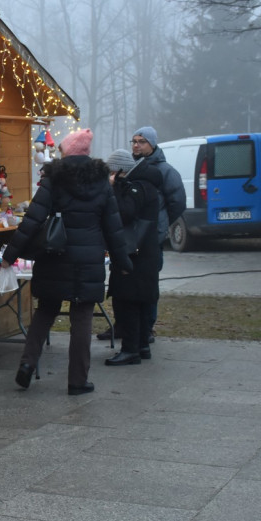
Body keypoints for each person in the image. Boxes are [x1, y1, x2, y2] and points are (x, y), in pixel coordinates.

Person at [1, 129, 133, 396]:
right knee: (82, 317)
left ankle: (27, 365)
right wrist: (123, 262)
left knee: (45, 312)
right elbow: (113, 227)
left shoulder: (53, 180)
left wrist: (9, 255)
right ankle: (77, 381)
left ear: (67, 152)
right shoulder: (101, 183)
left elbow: (32, 220)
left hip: (54, 256)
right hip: (88, 260)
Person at [96, 125, 186, 342]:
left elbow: (177, 202)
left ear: (152, 144)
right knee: (125, 286)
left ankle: (147, 329)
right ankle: (123, 325)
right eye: (134, 141)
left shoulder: (165, 171)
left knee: (147, 285)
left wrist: (160, 225)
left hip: (150, 239)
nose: (136, 145)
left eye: (141, 141)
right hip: (128, 238)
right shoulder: (129, 169)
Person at [104, 148, 162, 365]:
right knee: (140, 300)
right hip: (144, 253)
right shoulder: (145, 184)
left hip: (134, 254)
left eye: (111, 172)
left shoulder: (137, 187)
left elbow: (124, 213)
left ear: (120, 171)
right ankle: (142, 346)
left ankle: (131, 349)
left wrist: (115, 188)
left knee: (127, 300)